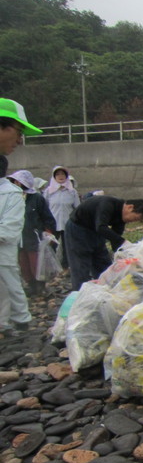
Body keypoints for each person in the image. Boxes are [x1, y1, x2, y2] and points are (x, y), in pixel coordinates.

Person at [0, 98, 41, 337]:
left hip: (6, 248)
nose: (19, 140)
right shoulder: (12, 194)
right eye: (17, 132)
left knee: (7, 286)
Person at [65, 195, 143, 291]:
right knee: (80, 264)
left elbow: (116, 241)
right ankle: (79, 294)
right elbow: (101, 227)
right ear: (130, 207)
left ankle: (104, 291)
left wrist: (126, 255)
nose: (132, 222)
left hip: (96, 233)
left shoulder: (121, 218)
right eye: (134, 218)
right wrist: (124, 242)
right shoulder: (107, 204)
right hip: (79, 228)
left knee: (103, 263)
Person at [7, 170, 56, 296]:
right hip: (18, 237)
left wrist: (48, 233)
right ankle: (30, 286)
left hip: (34, 237)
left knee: (36, 264)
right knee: (23, 263)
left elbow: (47, 217)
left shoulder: (37, 199)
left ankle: (40, 286)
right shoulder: (12, 198)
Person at [44, 165, 81, 268]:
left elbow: (77, 208)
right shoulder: (48, 191)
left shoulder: (72, 191)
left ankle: (66, 267)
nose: (60, 176)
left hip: (67, 223)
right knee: (51, 246)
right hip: (52, 223)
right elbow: (44, 207)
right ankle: (51, 268)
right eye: (58, 174)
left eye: (63, 174)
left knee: (67, 247)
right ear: (54, 177)